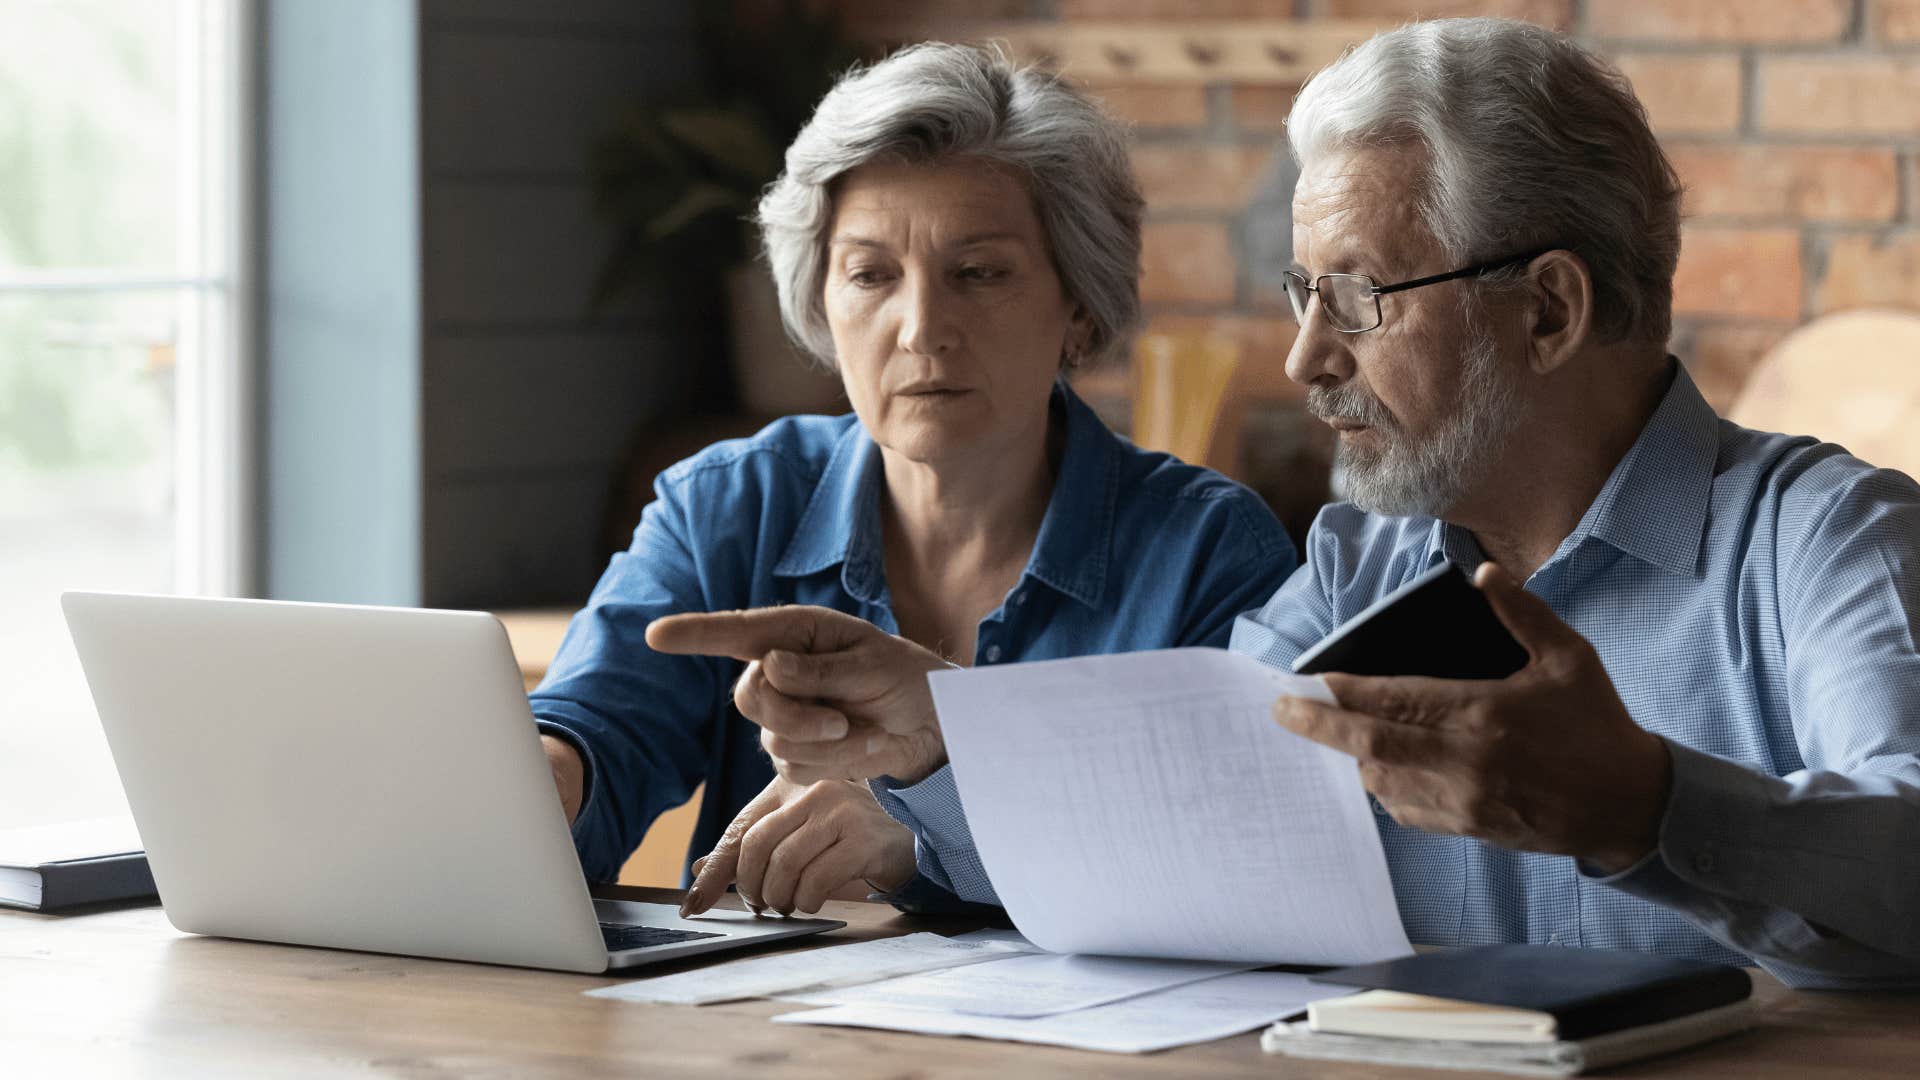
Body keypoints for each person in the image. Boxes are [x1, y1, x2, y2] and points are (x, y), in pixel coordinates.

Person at [667, 19, 1920, 989]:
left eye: (1361, 300)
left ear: (1548, 309)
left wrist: (1641, 805)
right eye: (1301, 295)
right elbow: (1172, 844)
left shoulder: (1828, 542)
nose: (1305, 360)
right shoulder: (1353, 568)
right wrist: (944, 743)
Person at [534, 42, 1297, 916]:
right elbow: (596, 729)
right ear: (822, 303)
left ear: (1079, 309)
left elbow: (1235, 860)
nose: (923, 328)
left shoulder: (1207, 553)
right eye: (871, 275)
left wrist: (927, 836)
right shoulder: (728, 505)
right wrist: (544, 785)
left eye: (979, 273)